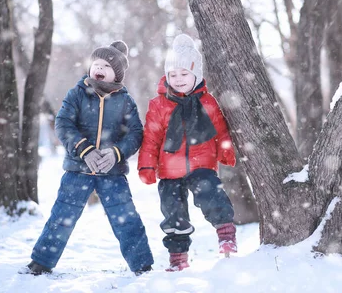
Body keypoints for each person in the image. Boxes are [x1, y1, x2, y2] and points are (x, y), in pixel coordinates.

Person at [23, 41, 154, 276]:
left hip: (112, 173)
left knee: (126, 218)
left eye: (106, 65)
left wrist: (115, 153)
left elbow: (136, 134)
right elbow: (63, 124)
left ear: (117, 74)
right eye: (96, 63)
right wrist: (84, 149)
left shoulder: (125, 101)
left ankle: (142, 265)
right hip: (77, 169)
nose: (99, 68)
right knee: (62, 215)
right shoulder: (77, 94)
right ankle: (41, 261)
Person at [138, 34, 237, 272]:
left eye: (184, 74)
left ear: (196, 75)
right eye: (173, 74)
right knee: (173, 215)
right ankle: (178, 257)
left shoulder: (208, 101)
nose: (179, 79)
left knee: (212, 195)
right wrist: (146, 165)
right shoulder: (159, 104)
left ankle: (225, 234)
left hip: (202, 165)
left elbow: (221, 130)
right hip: (169, 170)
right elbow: (151, 138)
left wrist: (226, 151)